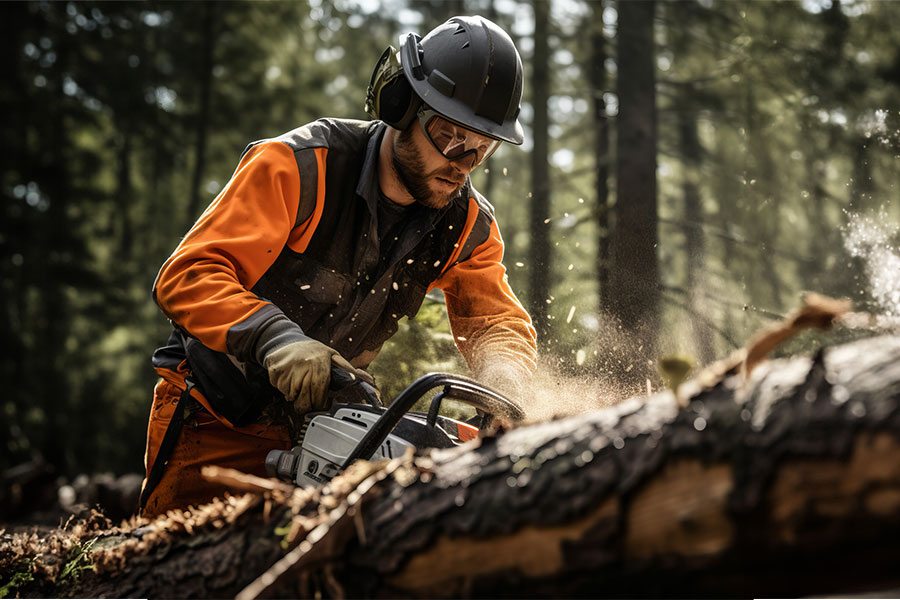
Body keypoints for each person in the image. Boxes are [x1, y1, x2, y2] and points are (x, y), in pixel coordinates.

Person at [140, 15, 537, 517]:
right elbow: (189, 273)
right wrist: (274, 338)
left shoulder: (466, 224)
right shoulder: (302, 167)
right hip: (217, 419)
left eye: (481, 148)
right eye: (449, 136)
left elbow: (496, 322)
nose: (462, 162)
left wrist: (504, 379)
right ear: (401, 106)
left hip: (328, 433)